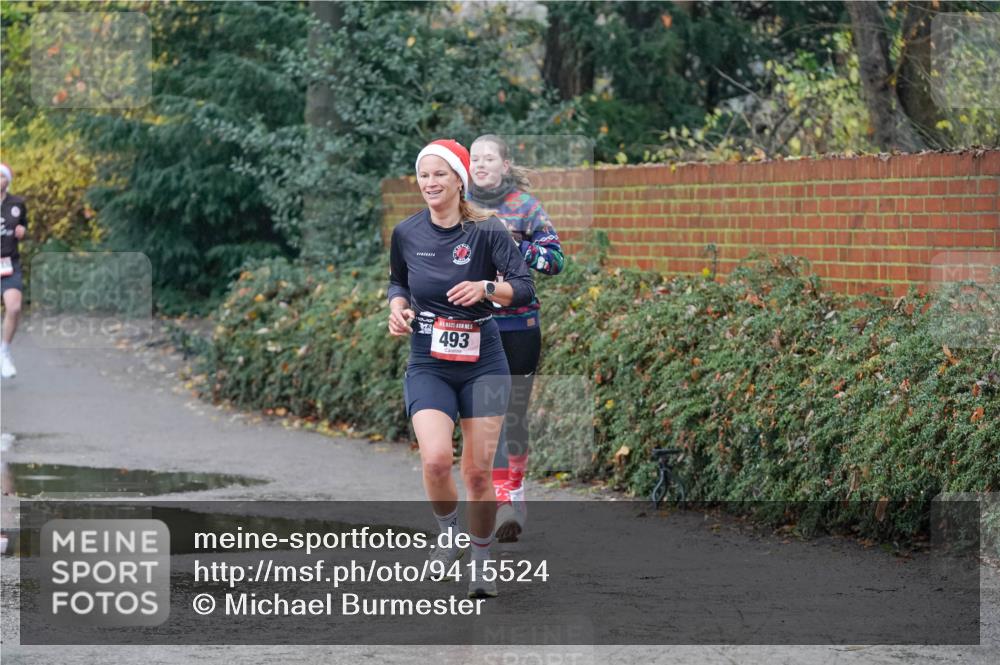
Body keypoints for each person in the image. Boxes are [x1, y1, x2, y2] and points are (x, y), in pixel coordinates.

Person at [387, 139, 535, 599]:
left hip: (484, 361)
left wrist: (487, 287)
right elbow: (398, 281)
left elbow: (525, 288)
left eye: (439, 175)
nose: (430, 183)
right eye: (424, 175)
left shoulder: (489, 231)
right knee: (434, 460)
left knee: (476, 473)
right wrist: (397, 309)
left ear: (459, 181)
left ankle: (482, 559)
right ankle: (449, 534)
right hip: (429, 359)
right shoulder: (407, 233)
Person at [468, 135, 565, 542]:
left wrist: (518, 248)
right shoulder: (459, 206)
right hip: (474, 327)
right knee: (482, 416)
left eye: (489, 158)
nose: (481, 164)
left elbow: (555, 260)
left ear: (505, 165)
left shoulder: (525, 208)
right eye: (475, 158)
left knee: (512, 412)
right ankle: (494, 494)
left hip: (519, 327)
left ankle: (514, 495)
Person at [1, 163, 27, 380]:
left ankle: (4, 351)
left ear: (7, 180)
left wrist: (22, 232)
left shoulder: (17, 204)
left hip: (9, 263)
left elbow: (23, 227)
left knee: (14, 307)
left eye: (1, 176)